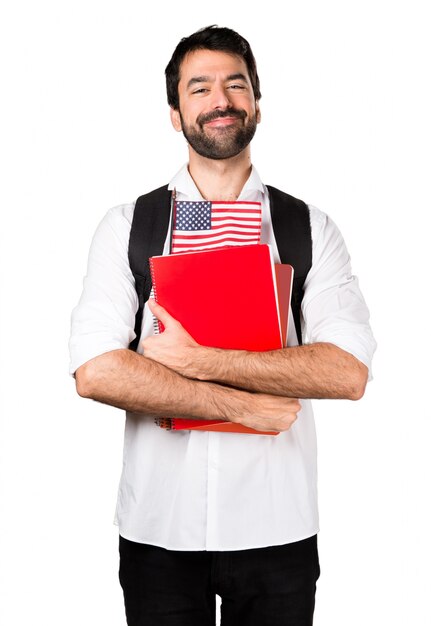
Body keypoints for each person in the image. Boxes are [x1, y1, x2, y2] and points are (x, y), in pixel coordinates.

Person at [69, 25, 376, 626]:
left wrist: (191, 359)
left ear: (257, 102)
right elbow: (96, 370)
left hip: (277, 525)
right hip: (160, 524)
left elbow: (347, 372)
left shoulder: (308, 228)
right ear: (175, 111)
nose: (220, 100)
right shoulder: (127, 225)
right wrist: (246, 407)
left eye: (236, 85)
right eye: (200, 87)